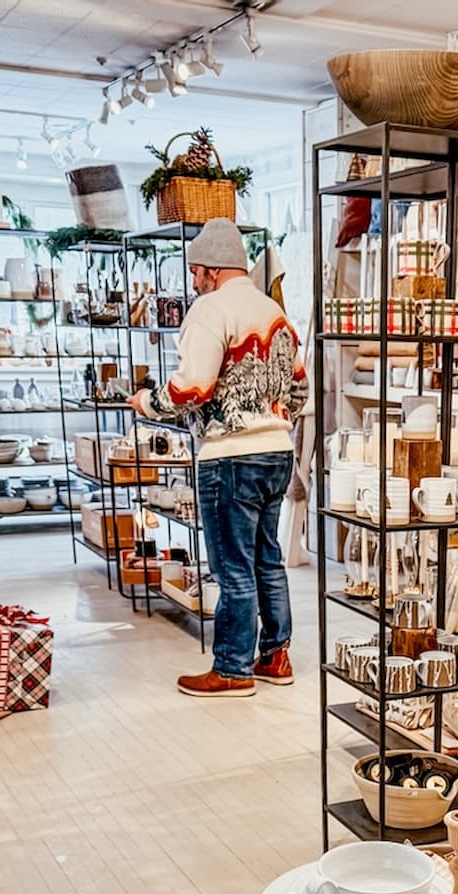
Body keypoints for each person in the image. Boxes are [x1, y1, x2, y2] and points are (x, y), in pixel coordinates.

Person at [130, 219, 308, 697]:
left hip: (230, 456)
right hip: (276, 452)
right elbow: (300, 390)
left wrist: (147, 403)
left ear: (209, 269)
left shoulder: (210, 309)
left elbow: (192, 387)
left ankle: (231, 668)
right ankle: (275, 656)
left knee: (232, 565)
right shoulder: (275, 312)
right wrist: (270, 422)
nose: (193, 282)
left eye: (194, 273)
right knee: (267, 558)